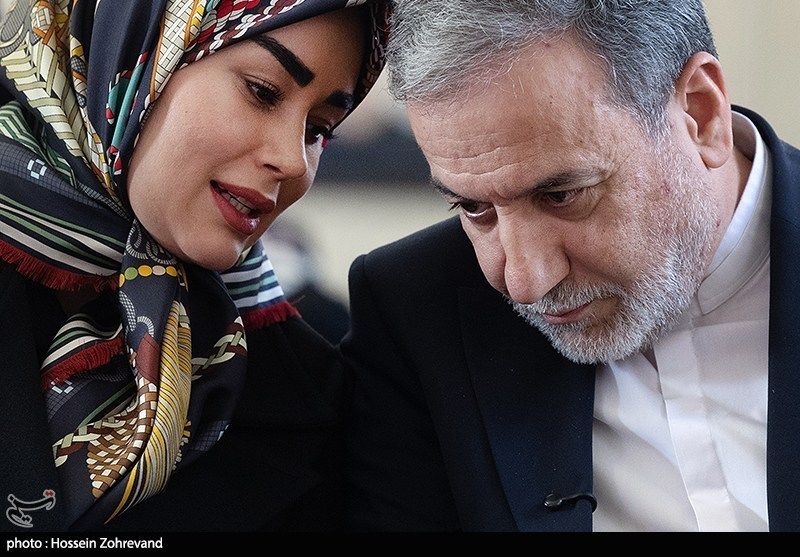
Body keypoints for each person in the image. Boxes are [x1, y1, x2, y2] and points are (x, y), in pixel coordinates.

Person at [342, 0, 800, 531]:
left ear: (700, 115)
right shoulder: (417, 318)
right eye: (474, 208)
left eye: (562, 195)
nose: (524, 281)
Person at [0, 0, 388, 532]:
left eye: (319, 129)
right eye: (263, 92)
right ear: (132, 53)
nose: (293, 160)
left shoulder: (300, 385)